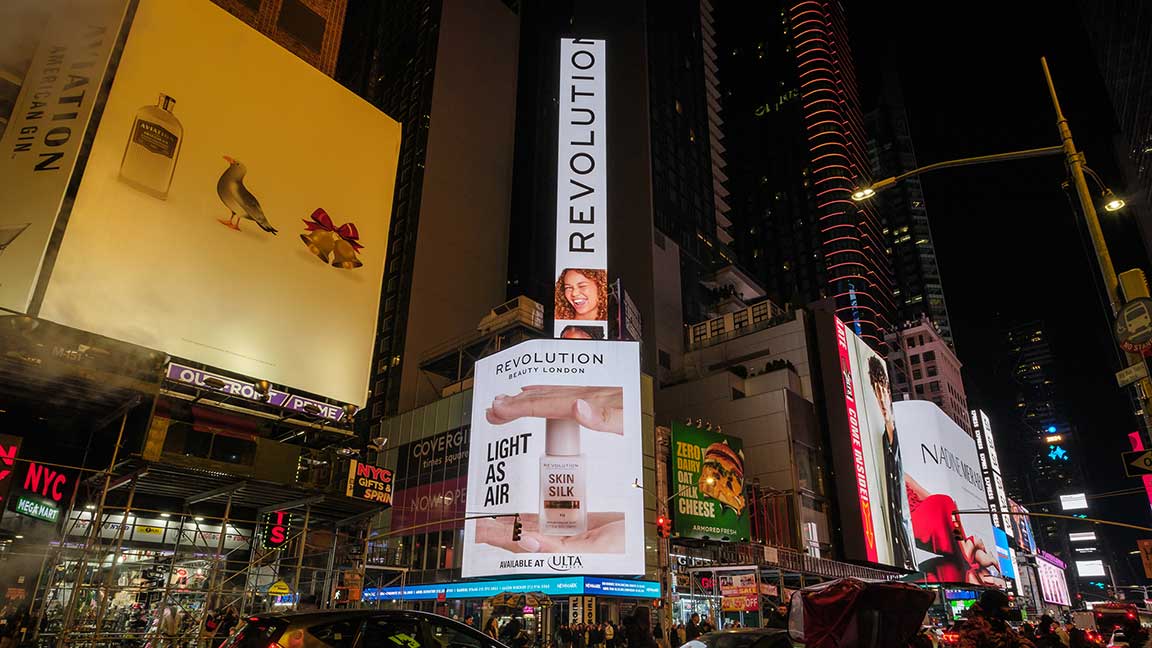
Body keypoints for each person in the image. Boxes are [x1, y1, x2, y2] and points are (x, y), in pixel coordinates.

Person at [867, 357, 916, 569]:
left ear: (888, 392)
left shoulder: (904, 436)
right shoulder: (880, 441)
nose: (881, 399)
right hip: (896, 549)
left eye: (883, 391)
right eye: (876, 393)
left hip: (910, 540)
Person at [957, 590, 1033, 648]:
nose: (1007, 610)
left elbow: (1019, 640)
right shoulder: (974, 625)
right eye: (1004, 606)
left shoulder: (1000, 624)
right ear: (994, 608)